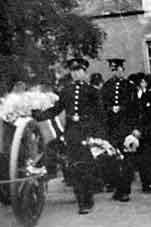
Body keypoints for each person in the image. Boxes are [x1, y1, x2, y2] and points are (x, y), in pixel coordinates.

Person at [32, 58, 106, 214]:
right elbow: (56, 109)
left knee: (86, 167)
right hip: (72, 132)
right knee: (74, 167)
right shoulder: (67, 91)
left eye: (79, 71)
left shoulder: (92, 91)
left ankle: (88, 199)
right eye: (73, 71)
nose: (76, 74)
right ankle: (81, 202)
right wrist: (39, 115)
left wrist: (97, 135)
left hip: (87, 132)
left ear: (85, 73)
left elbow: (99, 115)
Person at [101, 58, 139, 201]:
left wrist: (135, 128)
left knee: (127, 160)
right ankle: (118, 188)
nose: (117, 72)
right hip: (112, 128)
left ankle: (125, 191)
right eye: (114, 70)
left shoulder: (130, 86)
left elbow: (136, 108)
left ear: (123, 70)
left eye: (118, 69)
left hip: (126, 127)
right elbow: (102, 107)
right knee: (113, 159)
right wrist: (110, 110)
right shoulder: (107, 86)